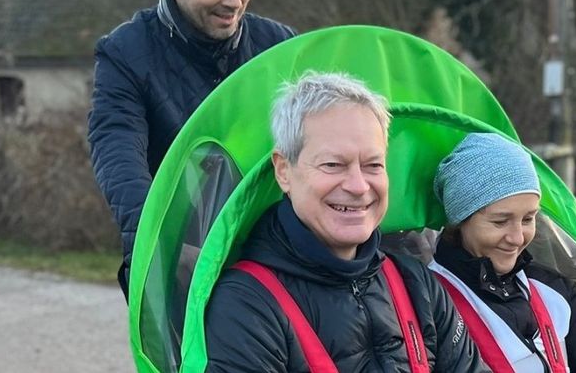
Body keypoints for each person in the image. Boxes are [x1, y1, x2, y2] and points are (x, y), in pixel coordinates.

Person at [204, 72, 489, 372]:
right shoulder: (247, 304)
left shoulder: (416, 284)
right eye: (333, 165)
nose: (359, 186)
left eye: (373, 165)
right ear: (284, 171)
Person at [87, 0, 296, 296]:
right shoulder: (124, 54)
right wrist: (158, 246)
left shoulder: (281, 47)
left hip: (279, 261)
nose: (234, 0)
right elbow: (117, 150)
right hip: (184, 267)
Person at [429, 133, 576, 373]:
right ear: (459, 220)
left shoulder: (550, 288)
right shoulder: (428, 298)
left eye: (528, 219)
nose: (517, 238)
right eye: (501, 222)